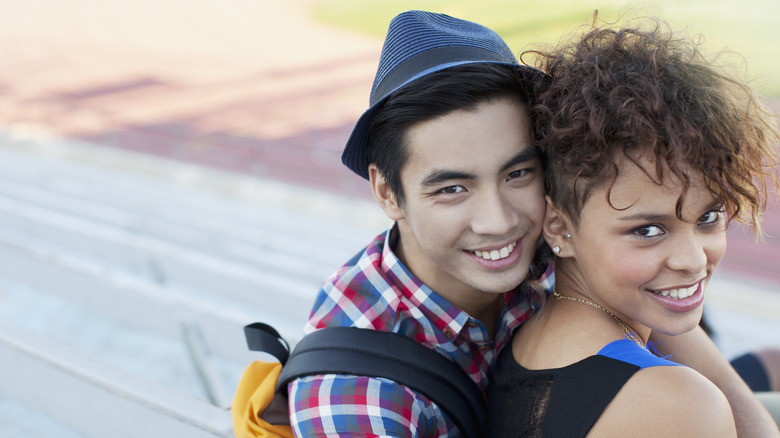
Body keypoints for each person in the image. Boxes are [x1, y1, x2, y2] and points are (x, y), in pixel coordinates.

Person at [286, 10, 779, 437]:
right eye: (452, 189)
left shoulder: (556, 239)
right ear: (387, 192)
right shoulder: (355, 395)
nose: (499, 221)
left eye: (517, 173)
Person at [487, 19, 780, 437]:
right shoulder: (679, 403)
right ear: (558, 227)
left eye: (708, 218)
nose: (693, 259)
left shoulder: (533, 325)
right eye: (647, 231)